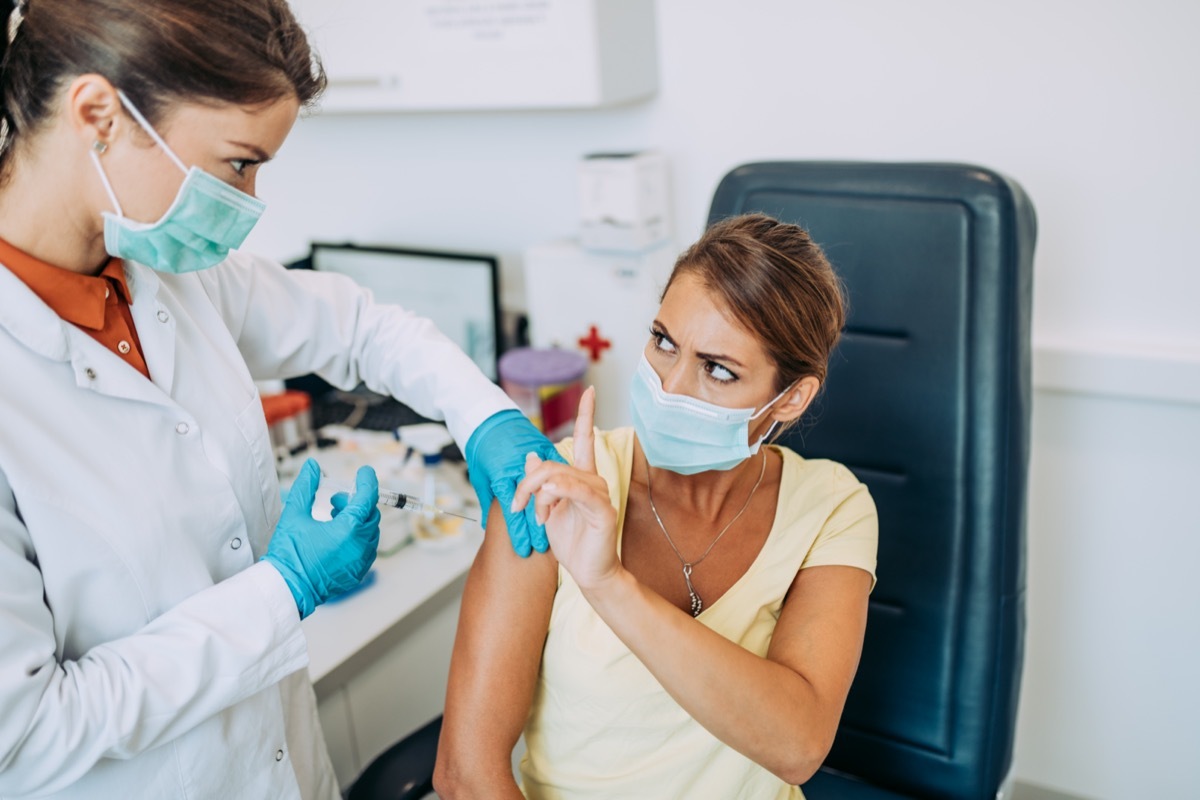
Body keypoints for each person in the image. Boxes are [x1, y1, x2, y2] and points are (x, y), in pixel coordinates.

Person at [0, 1, 563, 797]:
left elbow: (361, 328)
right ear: (99, 114)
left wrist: (486, 416)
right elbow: (24, 738)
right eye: (238, 164)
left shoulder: (162, 272)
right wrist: (282, 589)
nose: (251, 199)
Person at [435, 213, 879, 799]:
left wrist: (607, 583)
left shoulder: (830, 506)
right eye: (665, 342)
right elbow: (466, 776)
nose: (668, 387)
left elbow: (798, 745)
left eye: (717, 370)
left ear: (791, 398)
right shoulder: (558, 488)